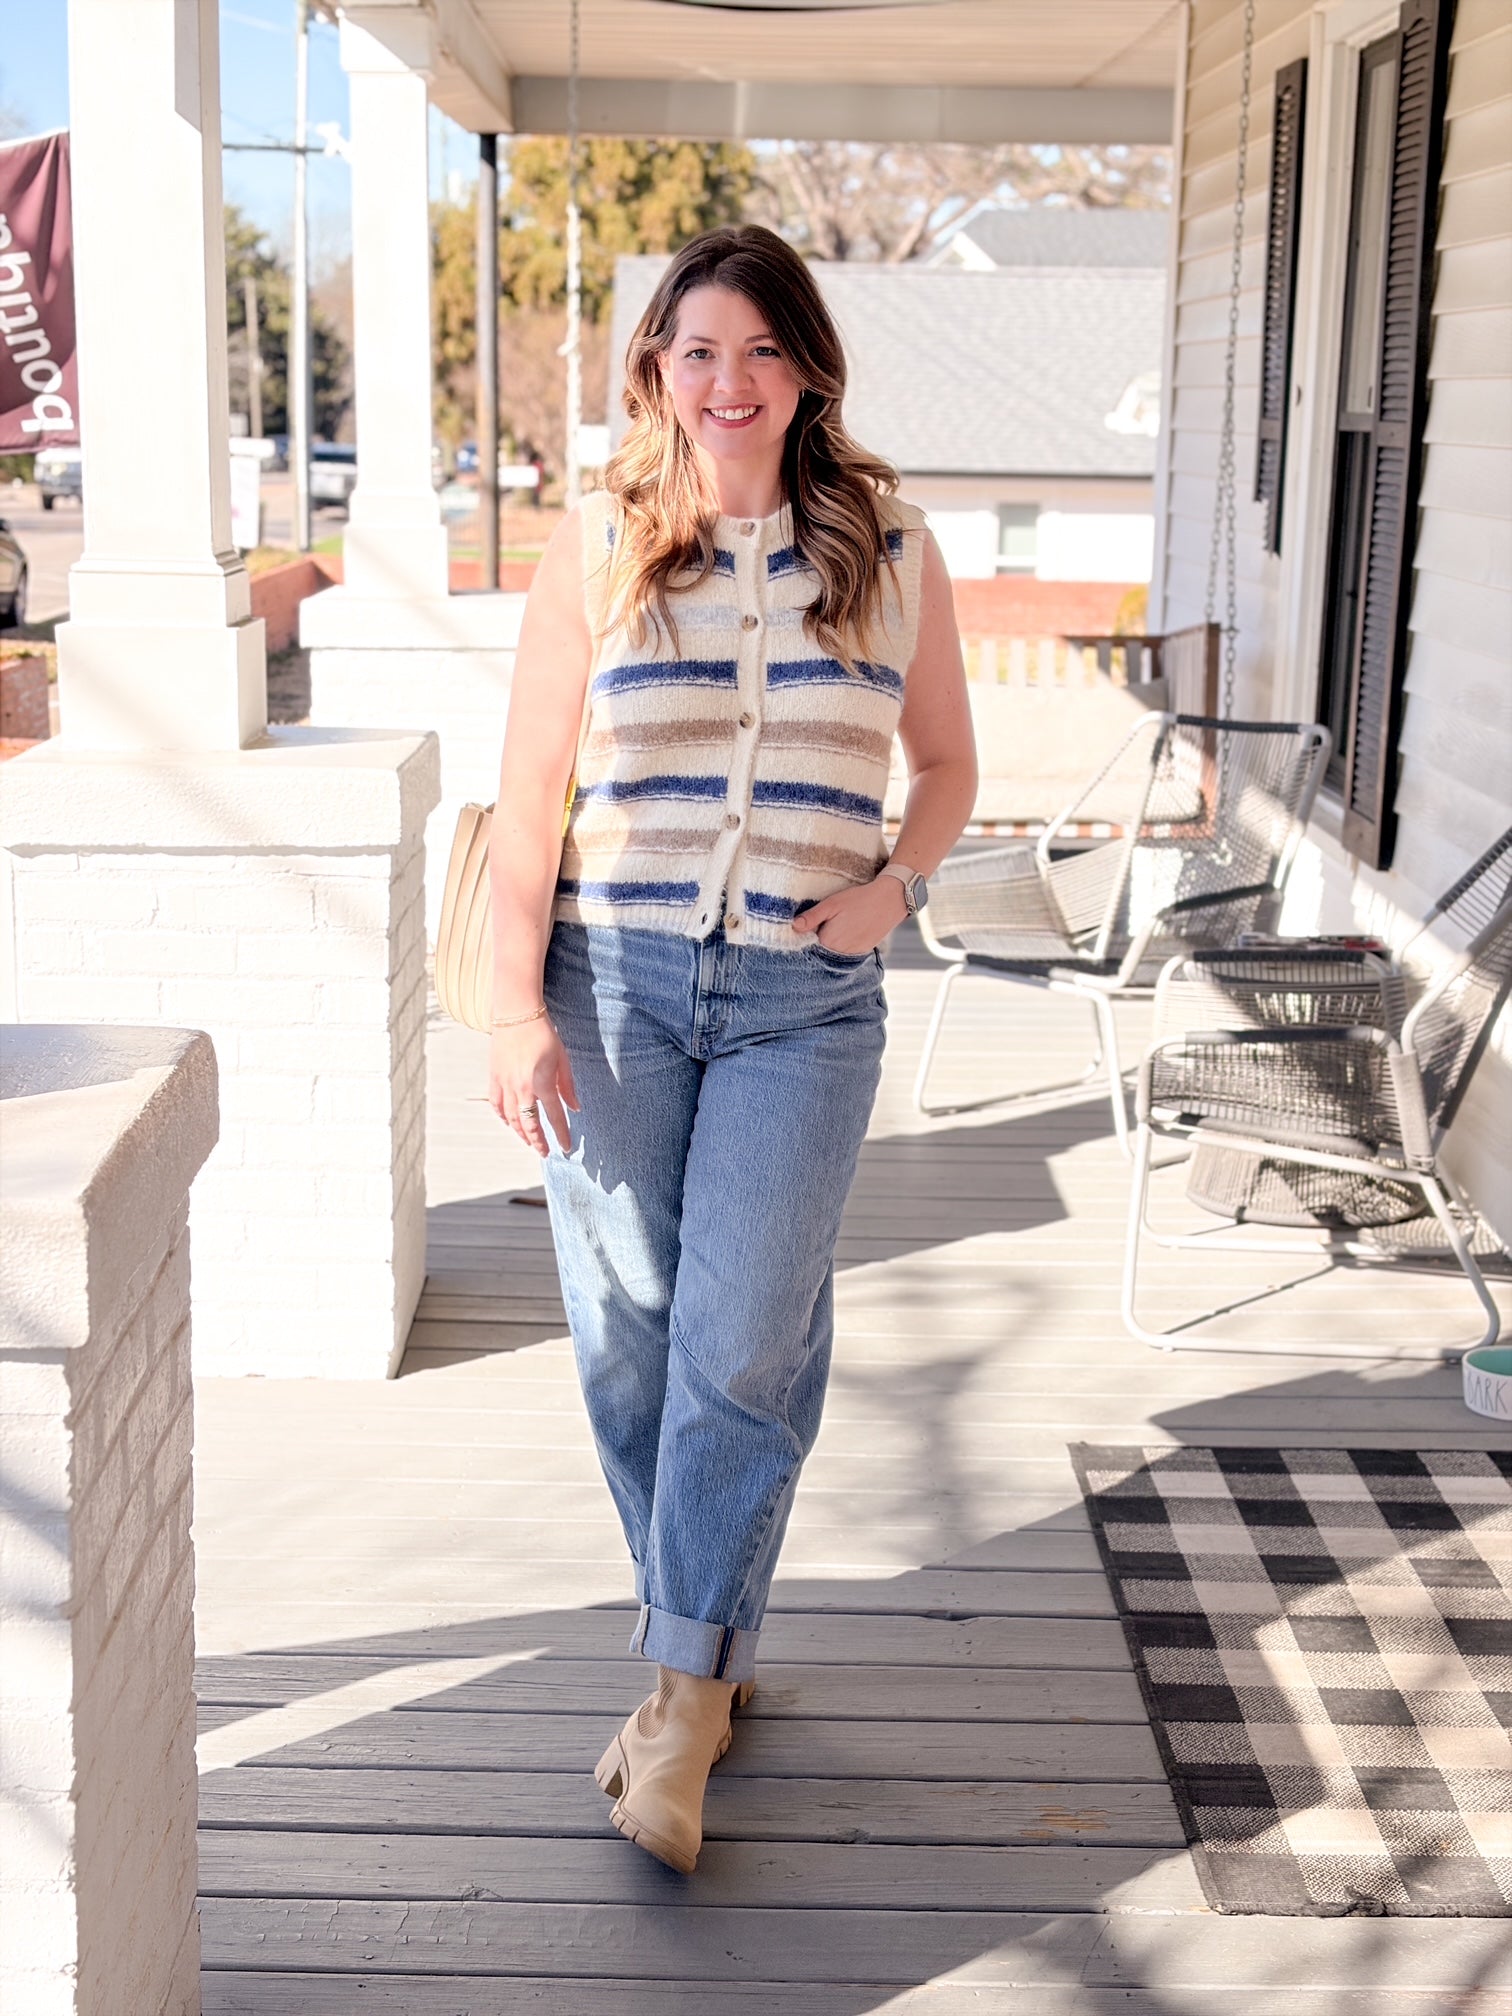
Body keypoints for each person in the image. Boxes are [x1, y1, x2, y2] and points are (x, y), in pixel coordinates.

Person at [487, 224, 976, 1874]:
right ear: (657, 371)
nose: (730, 381)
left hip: (802, 1001)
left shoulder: (892, 547)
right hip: (608, 986)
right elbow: (534, 788)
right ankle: (710, 1633)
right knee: (632, 1343)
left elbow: (951, 766)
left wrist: (895, 888)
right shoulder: (603, 540)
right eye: (699, 351)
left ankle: (679, 1703)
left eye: (761, 350)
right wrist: (506, 1002)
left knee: (744, 1339)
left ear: (809, 369)